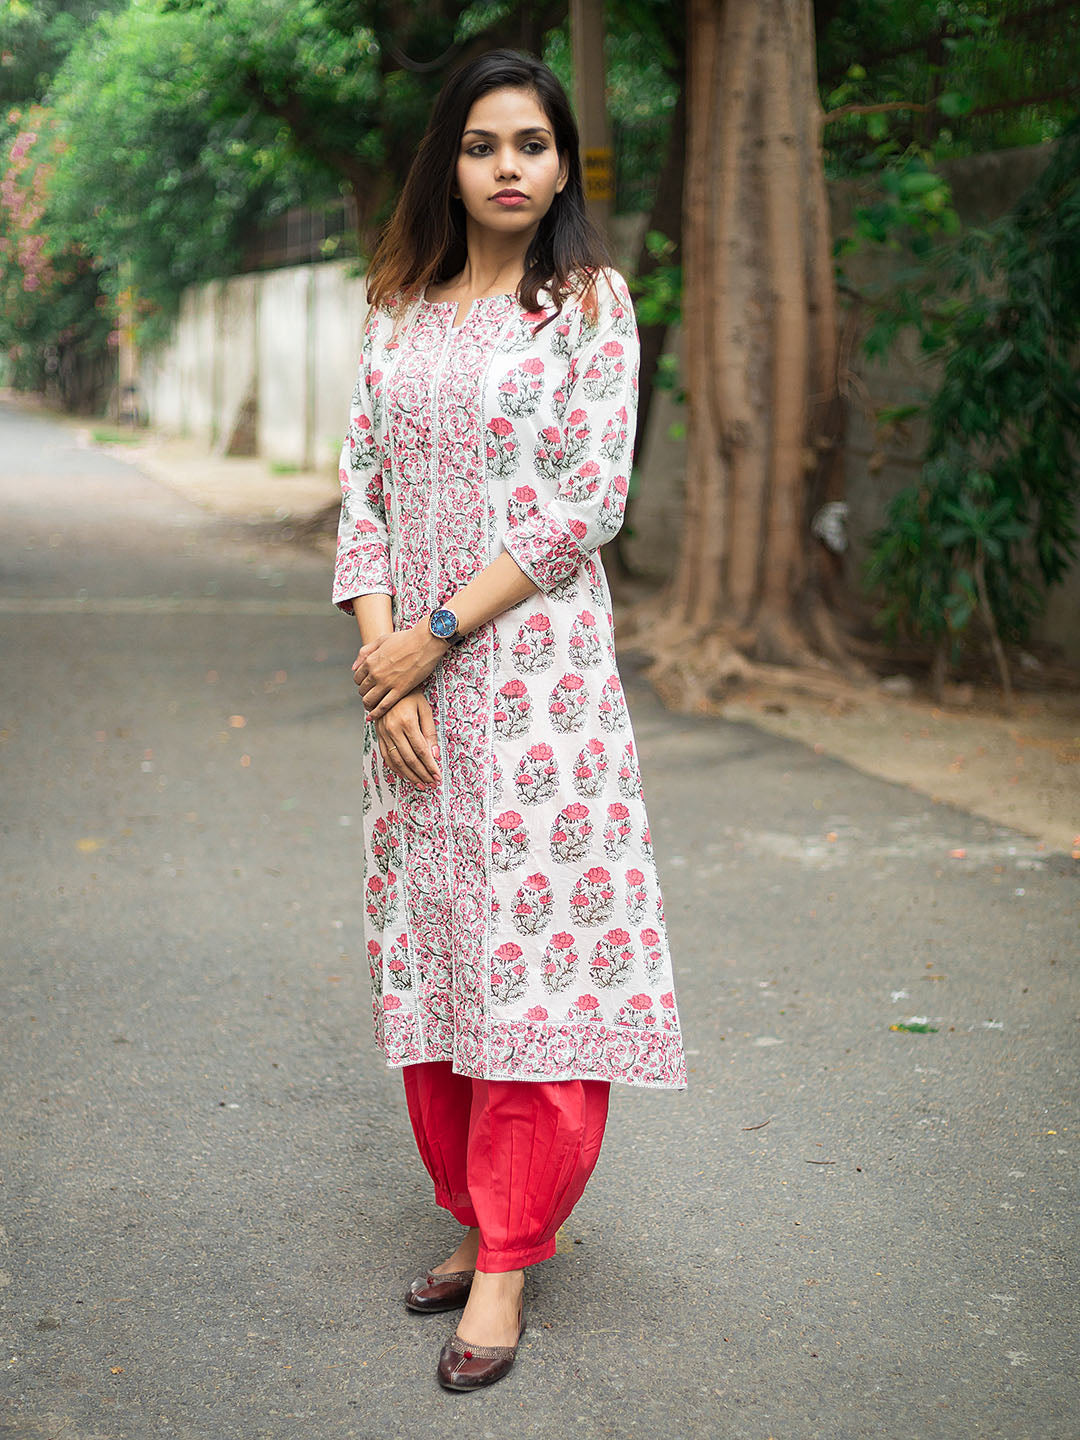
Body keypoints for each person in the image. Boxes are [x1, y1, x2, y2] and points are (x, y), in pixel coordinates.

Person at [332, 48, 687, 1392]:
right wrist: (385, 660)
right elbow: (357, 489)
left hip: (535, 688)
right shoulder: (397, 306)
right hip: (410, 690)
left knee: (531, 969)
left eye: (532, 144)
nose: (508, 168)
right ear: (452, 159)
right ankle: (480, 1214)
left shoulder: (588, 306)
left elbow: (584, 503)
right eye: (484, 144)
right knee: (438, 954)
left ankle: (506, 1261)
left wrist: (428, 642)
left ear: (564, 161)